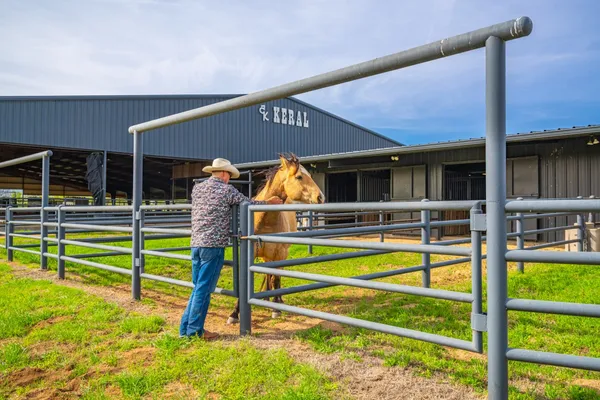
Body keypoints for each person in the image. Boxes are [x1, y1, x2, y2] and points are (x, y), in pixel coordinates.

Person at [179, 158, 283, 340]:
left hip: (195, 244)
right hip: (213, 246)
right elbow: (248, 204)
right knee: (203, 289)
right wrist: (270, 203)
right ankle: (195, 331)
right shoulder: (227, 190)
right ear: (225, 174)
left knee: (197, 287)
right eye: (229, 175)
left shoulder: (198, 189)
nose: (229, 178)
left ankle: (185, 329)